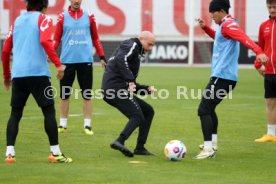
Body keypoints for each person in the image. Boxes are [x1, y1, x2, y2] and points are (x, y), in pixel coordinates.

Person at [195, 0, 269, 159]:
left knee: (203, 110)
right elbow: (220, 37)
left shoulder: (228, 25)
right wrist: (205, 28)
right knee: (209, 109)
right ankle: (212, 144)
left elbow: (243, 37)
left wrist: (258, 51)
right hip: (225, 77)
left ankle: (208, 149)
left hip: (222, 76)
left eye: (212, 12)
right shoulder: (225, 26)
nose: (211, 16)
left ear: (221, 11)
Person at [1, 0, 72, 163]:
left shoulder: (17, 21)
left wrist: (6, 74)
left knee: (15, 113)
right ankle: (55, 153)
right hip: (38, 74)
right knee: (48, 112)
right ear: (44, 6)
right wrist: (58, 65)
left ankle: (9, 153)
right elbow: (45, 41)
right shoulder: (44, 19)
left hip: (18, 75)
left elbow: (5, 50)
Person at [53, 0, 106, 135]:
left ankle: (87, 125)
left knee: (87, 95)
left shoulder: (89, 16)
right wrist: (51, 53)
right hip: (67, 61)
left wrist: (102, 56)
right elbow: (56, 39)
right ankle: (62, 124)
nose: (76, 1)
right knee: (64, 94)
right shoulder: (62, 17)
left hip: (85, 61)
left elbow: (96, 38)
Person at [102, 31, 156, 157]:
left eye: (153, 45)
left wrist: (146, 89)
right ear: (141, 39)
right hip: (115, 90)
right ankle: (119, 141)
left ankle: (140, 147)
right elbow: (122, 60)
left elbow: (130, 84)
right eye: (149, 44)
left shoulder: (135, 52)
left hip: (117, 89)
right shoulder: (132, 44)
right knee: (137, 116)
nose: (150, 48)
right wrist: (130, 81)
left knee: (148, 111)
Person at [254, 0, 276, 142]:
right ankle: (271, 134)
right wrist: (258, 65)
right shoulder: (263, 26)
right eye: (270, 7)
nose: (272, 10)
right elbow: (260, 48)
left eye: (274, 7)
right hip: (269, 71)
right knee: (270, 102)